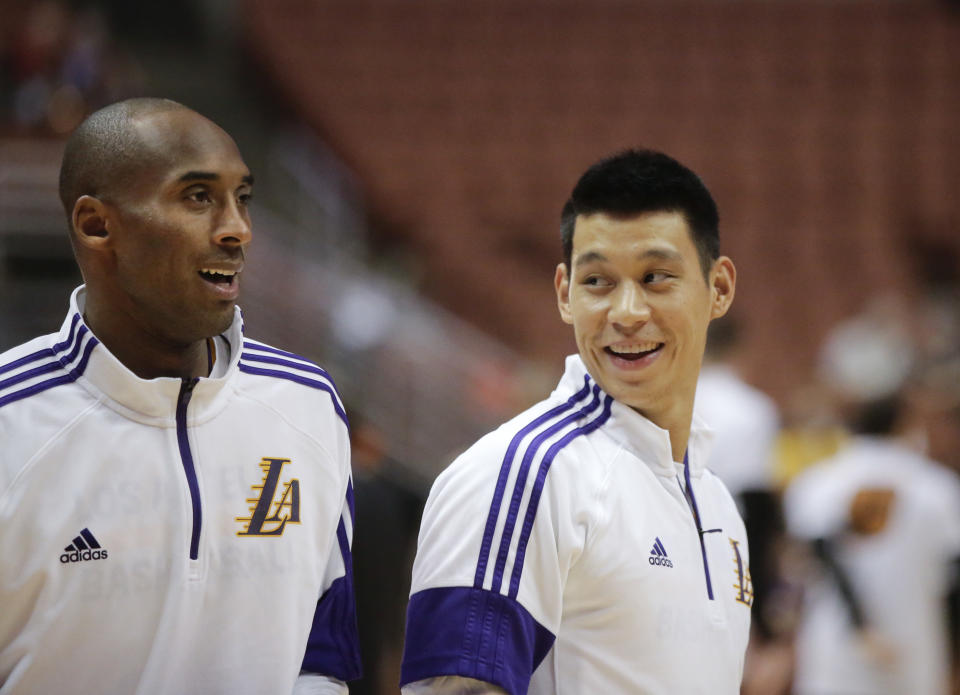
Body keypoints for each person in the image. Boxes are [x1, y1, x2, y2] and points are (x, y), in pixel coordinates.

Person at [0, 98, 361, 694]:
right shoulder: (13, 424)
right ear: (97, 225)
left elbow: (323, 650)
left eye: (242, 198)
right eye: (197, 197)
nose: (237, 229)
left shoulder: (308, 406)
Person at [400, 149, 750, 694]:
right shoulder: (523, 474)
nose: (627, 312)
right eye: (598, 282)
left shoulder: (718, 504)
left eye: (656, 277)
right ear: (565, 293)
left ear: (719, 289)